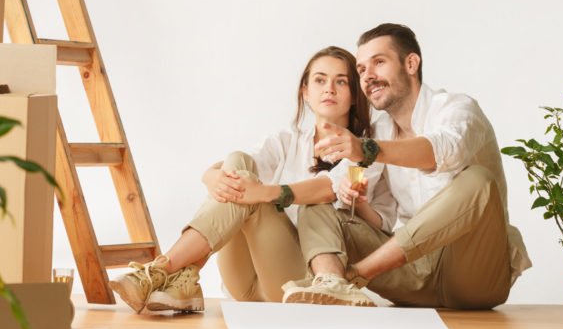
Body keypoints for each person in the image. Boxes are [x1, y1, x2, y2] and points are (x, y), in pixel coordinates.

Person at [109, 46, 392, 313]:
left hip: (295, 280)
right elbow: (235, 167)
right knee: (238, 162)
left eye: (341, 82)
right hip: (244, 280)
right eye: (320, 80)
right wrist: (209, 176)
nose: (329, 88)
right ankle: (183, 273)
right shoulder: (286, 140)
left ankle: (166, 271)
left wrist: (265, 193)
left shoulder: (366, 149)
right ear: (305, 91)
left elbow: (326, 190)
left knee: (251, 187)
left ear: (355, 94)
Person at [282, 23, 531, 309]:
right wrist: (272, 193)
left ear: (411, 63)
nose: (368, 77)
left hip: (473, 277)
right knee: (318, 202)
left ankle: (353, 276)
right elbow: (330, 185)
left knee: (478, 180)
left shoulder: (457, 109)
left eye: (379, 62)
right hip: (415, 273)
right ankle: (332, 284)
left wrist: (367, 150)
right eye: (361, 70)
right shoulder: (380, 129)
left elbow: (439, 150)